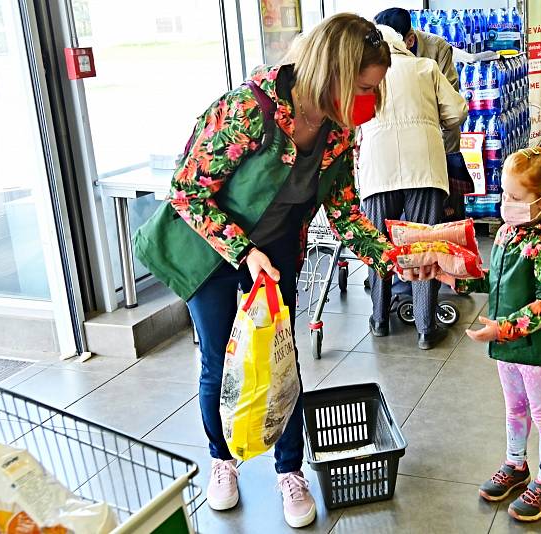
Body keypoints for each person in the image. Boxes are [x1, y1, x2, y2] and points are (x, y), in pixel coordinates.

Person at [133, 14, 394, 529]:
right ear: (334, 72)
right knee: (219, 359)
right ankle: (222, 459)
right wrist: (241, 251)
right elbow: (188, 191)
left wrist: (397, 258)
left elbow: (342, 210)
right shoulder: (247, 111)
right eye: (364, 87)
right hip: (209, 251)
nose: (369, 101)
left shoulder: (337, 132)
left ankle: (289, 470)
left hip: (275, 255)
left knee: (282, 361)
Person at [427, 148, 541, 522]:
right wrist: (455, 275)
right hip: (506, 345)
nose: (505, 203)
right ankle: (515, 465)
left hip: (536, 349)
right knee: (514, 408)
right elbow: (497, 281)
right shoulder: (510, 232)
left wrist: (501, 329)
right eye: (504, 193)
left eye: (514, 197)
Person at [358, 25, 467, 350]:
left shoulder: (362, 72)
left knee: (379, 244)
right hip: (424, 166)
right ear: (404, 41)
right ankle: (424, 327)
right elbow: (458, 110)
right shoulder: (424, 67)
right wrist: (433, 125)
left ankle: (379, 320)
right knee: (423, 244)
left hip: (378, 169)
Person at [374, 8, 460, 155]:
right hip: (394, 144)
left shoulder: (437, 50)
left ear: (410, 40)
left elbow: (453, 111)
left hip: (438, 141)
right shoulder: (374, 53)